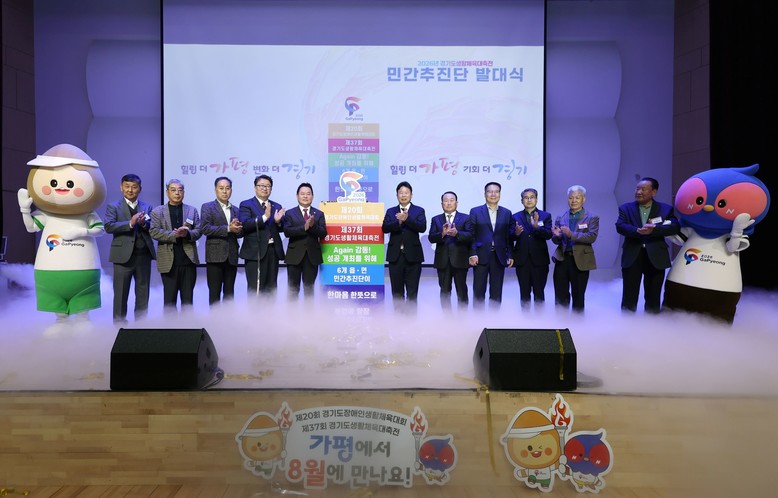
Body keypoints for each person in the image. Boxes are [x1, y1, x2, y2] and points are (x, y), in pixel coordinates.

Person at [616, 177, 680, 313]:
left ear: (654, 192)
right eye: (637, 189)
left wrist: (655, 229)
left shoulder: (665, 209)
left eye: (643, 189)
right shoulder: (625, 208)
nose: (638, 192)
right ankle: (627, 322)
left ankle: (652, 323)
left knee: (653, 295)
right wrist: (637, 230)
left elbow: (674, 227)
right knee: (629, 294)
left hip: (656, 256)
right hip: (633, 255)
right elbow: (620, 226)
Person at [104, 173, 157, 323]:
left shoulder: (147, 207)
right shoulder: (113, 206)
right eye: (127, 186)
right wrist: (130, 223)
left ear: (140, 189)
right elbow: (108, 226)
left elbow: (151, 227)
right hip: (122, 257)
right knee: (120, 293)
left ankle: (140, 325)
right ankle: (119, 325)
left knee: (143, 293)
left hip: (143, 255)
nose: (130, 190)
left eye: (134, 187)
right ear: (121, 188)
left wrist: (143, 223)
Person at [150, 179, 202, 310]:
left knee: (188, 301)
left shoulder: (192, 210)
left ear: (184, 192)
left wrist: (187, 234)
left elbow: (199, 230)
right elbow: (154, 231)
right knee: (169, 301)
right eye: (173, 190)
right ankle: (170, 324)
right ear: (167, 192)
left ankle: (188, 323)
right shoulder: (158, 211)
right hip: (168, 262)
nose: (177, 193)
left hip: (188, 261)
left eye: (180, 190)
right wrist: (175, 235)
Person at [551, 185, 598, 312]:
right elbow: (556, 240)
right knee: (560, 295)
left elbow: (591, 237)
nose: (574, 200)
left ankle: (577, 322)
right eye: (571, 198)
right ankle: (560, 322)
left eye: (577, 197)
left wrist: (571, 234)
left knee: (578, 295)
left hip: (581, 260)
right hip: (562, 259)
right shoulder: (561, 216)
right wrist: (557, 236)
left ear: (584, 199)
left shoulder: (592, 217)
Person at [238, 174, 285, 295]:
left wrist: (278, 222)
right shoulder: (246, 204)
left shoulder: (276, 206)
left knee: (271, 287)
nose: (265, 188)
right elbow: (245, 224)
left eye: (268, 186)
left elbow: (281, 229)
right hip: (255, 251)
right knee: (256, 288)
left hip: (273, 250)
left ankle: (270, 308)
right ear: (255, 188)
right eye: (261, 186)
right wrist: (264, 217)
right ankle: (254, 308)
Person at [468, 182, 514, 306]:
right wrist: (472, 253)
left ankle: (494, 317)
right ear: (485, 194)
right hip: (480, 256)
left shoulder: (506, 213)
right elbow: (471, 235)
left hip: (499, 256)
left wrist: (510, 255)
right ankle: (478, 317)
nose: (493, 194)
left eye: (496, 191)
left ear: (500, 194)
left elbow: (508, 237)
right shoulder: (475, 211)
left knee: (496, 291)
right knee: (478, 290)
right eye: (490, 191)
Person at [382, 181, 427, 306]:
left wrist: (407, 219)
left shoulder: (419, 210)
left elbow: (422, 227)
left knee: (412, 292)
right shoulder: (391, 211)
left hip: (413, 256)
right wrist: (398, 223)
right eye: (400, 193)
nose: (403, 195)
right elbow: (385, 228)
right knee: (397, 292)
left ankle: (411, 317)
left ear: (411, 195)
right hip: (395, 256)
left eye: (406, 193)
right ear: (396, 195)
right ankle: (398, 317)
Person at [200, 176, 243, 305]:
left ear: (231, 190)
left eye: (227, 188)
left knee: (229, 294)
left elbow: (240, 234)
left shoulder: (236, 210)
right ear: (215, 190)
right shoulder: (207, 207)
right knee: (214, 293)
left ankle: (228, 317)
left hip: (232, 256)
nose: (225, 191)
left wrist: (238, 229)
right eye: (221, 188)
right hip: (215, 256)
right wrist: (228, 229)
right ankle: (214, 318)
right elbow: (205, 228)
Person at [428, 191, 473, 308]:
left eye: (452, 200)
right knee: (444, 291)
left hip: (460, 260)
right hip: (442, 261)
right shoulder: (436, 219)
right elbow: (431, 238)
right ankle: (447, 317)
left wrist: (457, 233)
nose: (449, 203)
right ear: (442, 204)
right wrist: (442, 234)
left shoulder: (466, 218)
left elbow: (470, 236)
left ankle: (463, 316)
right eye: (446, 200)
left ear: (457, 203)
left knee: (462, 290)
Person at [283, 182, 327, 297]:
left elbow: (323, 233)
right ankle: (291, 309)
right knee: (293, 290)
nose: (305, 196)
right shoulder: (290, 213)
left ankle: (309, 309)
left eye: (308, 194)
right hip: (294, 256)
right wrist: (305, 227)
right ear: (297, 196)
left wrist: (313, 226)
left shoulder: (319, 214)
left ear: (312, 196)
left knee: (309, 290)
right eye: (302, 194)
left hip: (312, 256)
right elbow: (287, 232)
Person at [511, 188, 553, 308]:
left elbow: (549, 235)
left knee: (539, 293)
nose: (529, 200)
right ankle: (525, 318)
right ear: (522, 201)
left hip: (539, 260)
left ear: (536, 199)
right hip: (522, 260)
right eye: (526, 197)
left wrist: (537, 227)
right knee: (524, 293)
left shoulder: (545, 216)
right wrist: (516, 234)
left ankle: (539, 318)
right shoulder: (515, 217)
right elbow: (509, 236)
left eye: (532, 197)